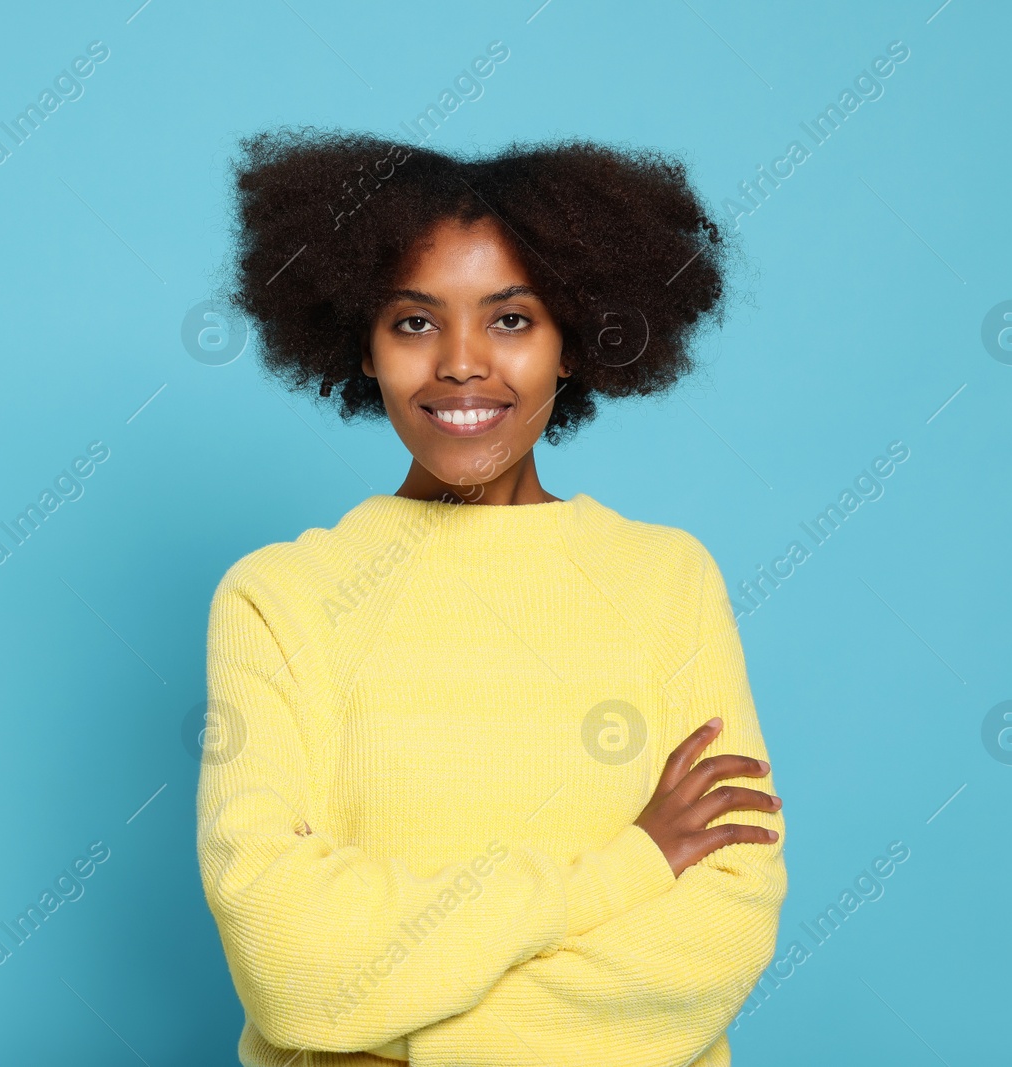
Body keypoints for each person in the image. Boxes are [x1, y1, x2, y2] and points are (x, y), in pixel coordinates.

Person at [196, 128, 786, 1066]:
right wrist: (626, 868)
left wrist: (386, 1033)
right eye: (415, 322)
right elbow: (287, 961)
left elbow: (720, 925)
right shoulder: (280, 600)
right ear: (364, 343)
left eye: (510, 319)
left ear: (574, 343)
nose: (462, 363)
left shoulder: (666, 582)